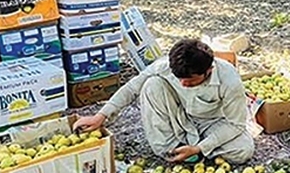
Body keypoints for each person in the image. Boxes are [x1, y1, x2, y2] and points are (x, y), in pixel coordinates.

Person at [74, 39, 254, 163]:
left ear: (209, 70)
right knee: (151, 84)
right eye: (180, 79)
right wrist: (101, 116)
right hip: (179, 116)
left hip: (213, 123)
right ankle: (175, 148)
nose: (184, 84)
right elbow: (131, 88)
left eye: (190, 81)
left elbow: (235, 125)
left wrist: (200, 148)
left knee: (243, 150)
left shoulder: (229, 80)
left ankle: (193, 152)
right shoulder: (164, 66)